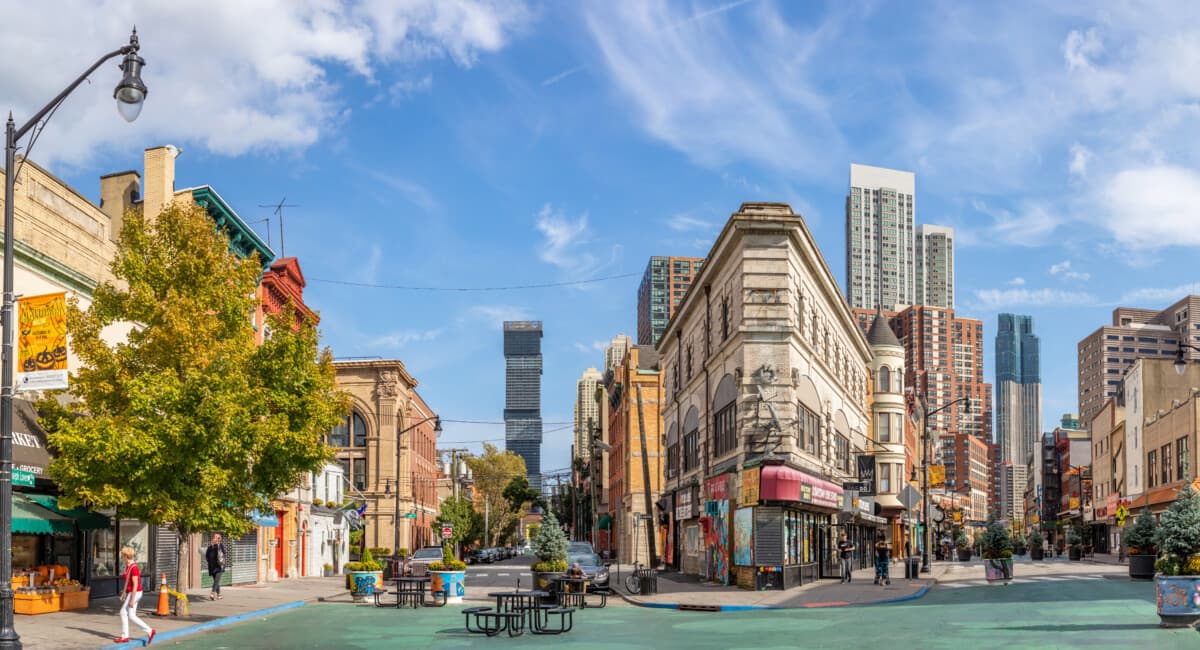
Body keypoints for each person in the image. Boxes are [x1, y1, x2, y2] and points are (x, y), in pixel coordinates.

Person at [115, 547, 154, 645]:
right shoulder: (129, 566)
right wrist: (124, 592)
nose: (121, 558)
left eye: (122, 556)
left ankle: (125, 636)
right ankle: (149, 631)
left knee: (123, 612)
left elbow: (135, 584)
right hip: (132, 592)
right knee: (131, 615)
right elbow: (128, 581)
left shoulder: (134, 568)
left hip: (135, 593)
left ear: (126, 556)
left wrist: (132, 599)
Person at [205, 533, 226, 601]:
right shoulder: (210, 547)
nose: (214, 538)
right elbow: (207, 556)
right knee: (216, 581)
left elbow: (224, 553)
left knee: (216, 581)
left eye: (216, 537)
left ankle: (212, 593)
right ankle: (219, 595)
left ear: (219, 539)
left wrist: (217, 544)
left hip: (219, 566)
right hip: (213, 567)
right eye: (214, 537)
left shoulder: (220, 545)